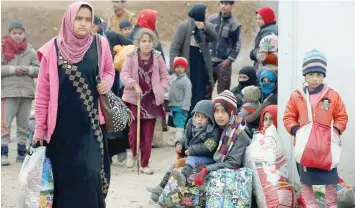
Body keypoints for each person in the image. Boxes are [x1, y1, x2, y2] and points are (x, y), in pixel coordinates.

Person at [33, 2, 115, 207]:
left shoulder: (99, 44)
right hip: (61, 132)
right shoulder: (52, 48)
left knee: (90, 179)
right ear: (69, 19)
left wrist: (106, 83)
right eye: (79, 18)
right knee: (65, 186)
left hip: (91, 129)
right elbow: (43, 93)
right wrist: (39, 130)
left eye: (88, 19)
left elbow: (108, 70)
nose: (83, 23)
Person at [283, 49, 348, 208]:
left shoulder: (332, 96)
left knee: (331, 179)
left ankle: (330, 203)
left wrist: (336, 130)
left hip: (326, 147)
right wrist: (295, 130)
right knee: (306, 180)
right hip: (305, 147)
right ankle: (310, 204)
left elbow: (341, 115)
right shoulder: (297, 96)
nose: (314, 79)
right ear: (304, 75)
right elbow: (288, 116)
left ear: (323, 76)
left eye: (319, 75)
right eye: (311, 74)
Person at [147, 100, 220, 201]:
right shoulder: (191, 124)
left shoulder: (213, 130)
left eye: (204, 117)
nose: (200, 119)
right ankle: (161, 187)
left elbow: (208, 147)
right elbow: (186, 138)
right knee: (174, 165)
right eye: (198, 116)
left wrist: (191, 150)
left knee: (191, 160)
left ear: (210, 118)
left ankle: (183, 177)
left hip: (207, 157)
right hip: (192, 155)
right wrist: (180, 144)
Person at [120, 28, 169, 174]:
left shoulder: (158, 57)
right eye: (143, 41)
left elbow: (165, 76)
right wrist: (134, 85)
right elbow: (124, 74)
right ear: (138, 42)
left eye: (149, 41)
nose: (147, 44)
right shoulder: (131, 56)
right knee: (134, 132)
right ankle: (133, 153)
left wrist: (161, 89)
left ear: (153, 43)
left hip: (152, 101)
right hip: (135, 99)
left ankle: (144, 164)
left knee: (148, 135)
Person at [170, 3, 218, 124]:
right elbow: (175, 47)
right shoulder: (184, 26)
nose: (207, 15)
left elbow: (214, 38)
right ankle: (187, 125)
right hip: (188, 65)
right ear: (199, 13)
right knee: (187, 95)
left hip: (201, 66)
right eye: (206, 12)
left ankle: (200, 122)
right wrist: (173, 67)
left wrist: (204, 28)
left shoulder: (206, 26)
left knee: (201, 93)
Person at [1, 20, 39, 166]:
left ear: (24, 34)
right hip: (8, 93)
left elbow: (39, 69)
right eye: (14, 33)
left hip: (26, 93)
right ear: (9, 34)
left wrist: (28, 69)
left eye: (20, 33)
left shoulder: (30, 51)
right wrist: (13, 69)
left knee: (23, 125)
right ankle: (3, 154)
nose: (17, 36)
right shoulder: (3, 50)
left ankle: (21, 153)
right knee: (5, 125)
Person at [193, 90, 250, 186]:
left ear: (232, 112)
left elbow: (233, 163)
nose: (219, 115)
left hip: (233, 180)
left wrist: (207, 168)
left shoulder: (239, 134)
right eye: (217, 111)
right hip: (218, 169)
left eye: (223, 111)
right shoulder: (217, 129)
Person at [209, 0, 242, 94]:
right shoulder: (211, 20)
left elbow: (237, 44)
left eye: (227, 4)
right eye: (222, 3)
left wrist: (229, 60)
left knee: (223, 94)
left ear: (232, 6)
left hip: (224, 64)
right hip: (209, 62)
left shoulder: (235, 24)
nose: (224, 6)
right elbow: (205, 38)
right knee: (206, 91)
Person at [167, 57, 192, 145]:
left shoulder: (186, 81)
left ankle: (178, 140)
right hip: (174, 105)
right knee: (174, 122)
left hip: (181, 107)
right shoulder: (173, 79)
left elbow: (188, 95)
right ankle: (176, 138)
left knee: (179, 123)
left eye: (182, 67)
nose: (179, 69)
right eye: (177, 66)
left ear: (185, 68)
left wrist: (186, 106)